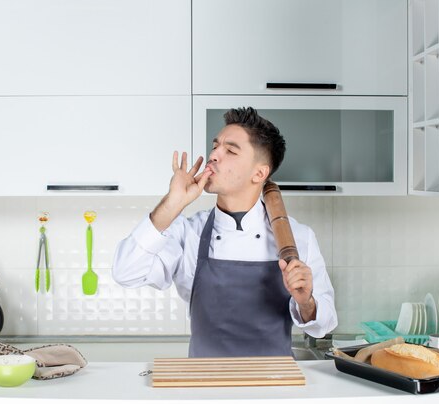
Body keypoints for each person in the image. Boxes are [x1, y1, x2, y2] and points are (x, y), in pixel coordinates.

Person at [112, 107, 337, 357]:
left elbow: (324, 325)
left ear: (259, 173)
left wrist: (306, 302)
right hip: (206, 388)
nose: (214, 155)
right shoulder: (188, 232)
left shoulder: (297, 237)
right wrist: (173, 202)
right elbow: (125, 272)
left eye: (230, 150)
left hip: (274, 388)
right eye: (215, 146)